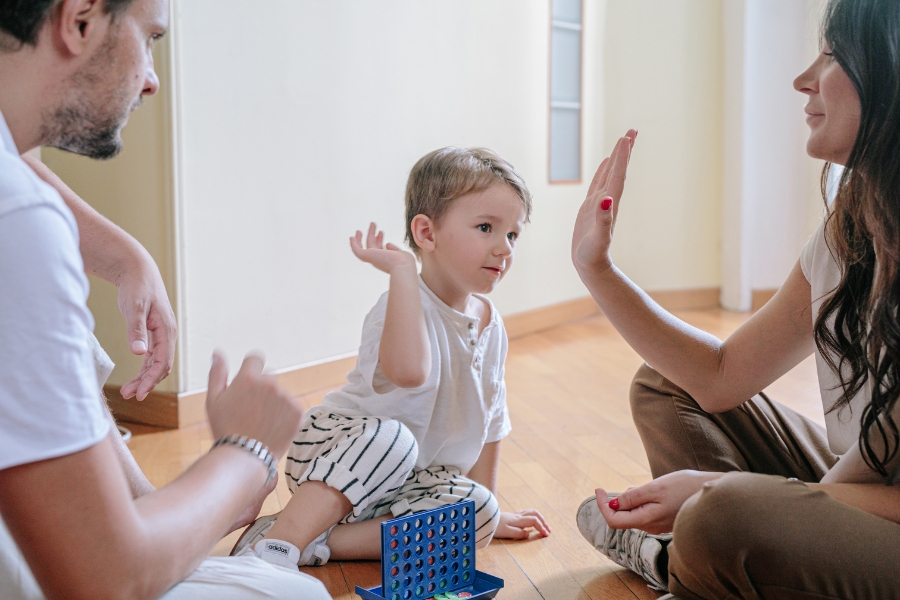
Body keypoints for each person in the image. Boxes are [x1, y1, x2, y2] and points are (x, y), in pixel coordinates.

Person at [0, 1, 330, 598]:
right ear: (80, 20)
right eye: (150, 38)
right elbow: (105, 580)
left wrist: (125, 256)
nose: (151, 79)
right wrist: (243, 453)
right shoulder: (18, 222)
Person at [571, 0, 900, 598]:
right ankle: (709, 552)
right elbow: (721, 376)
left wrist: (715, 496)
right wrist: (597, 268)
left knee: (722, 518)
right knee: (666, 385)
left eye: (831, 53)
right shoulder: (850, 229)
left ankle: (690, 556)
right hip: (857, 484)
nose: (804, 78)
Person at [231, 147, 551, 569]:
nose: (504, 248)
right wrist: (402, 271)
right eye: (487, 228)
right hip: (342, 459)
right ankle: (283, 541)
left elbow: (491, 420)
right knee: (396, 441)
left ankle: (318, 543)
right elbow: (409, 371)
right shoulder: (399, 304)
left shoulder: (492, 326)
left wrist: (489, 508)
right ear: (426, 233)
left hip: (410, 486)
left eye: (512, 234)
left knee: (480, 516)